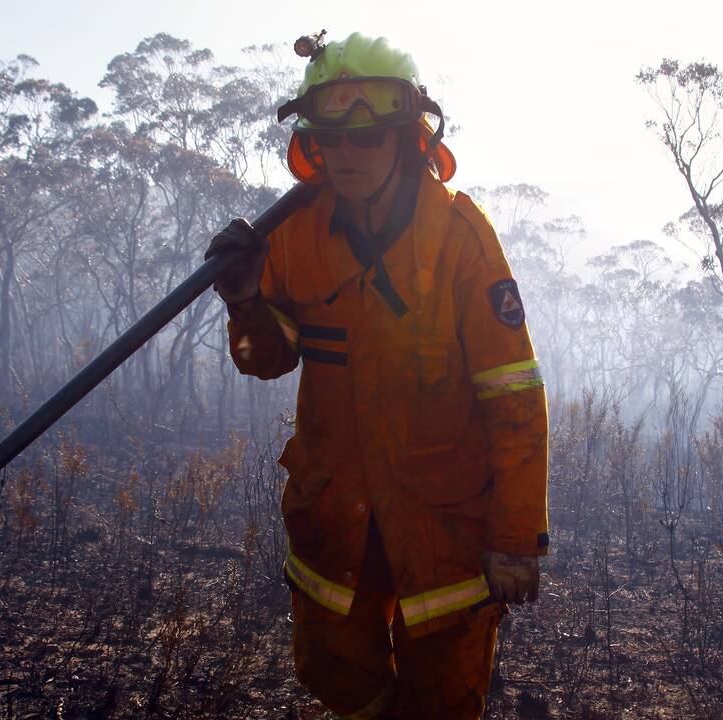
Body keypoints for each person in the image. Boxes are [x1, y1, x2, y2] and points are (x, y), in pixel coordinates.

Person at [205, 31, 549, 720]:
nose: (348, 155)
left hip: (439, 525)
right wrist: (244, 299)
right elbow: (268, 358)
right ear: (314, 145)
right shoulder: (298, 234)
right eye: (333, 139)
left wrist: (514, 538)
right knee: (330, 669)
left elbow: (514, 397)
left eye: (367, 139)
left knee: (446, 696)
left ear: (406, 138)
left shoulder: (460, 238)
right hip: (336, 513)